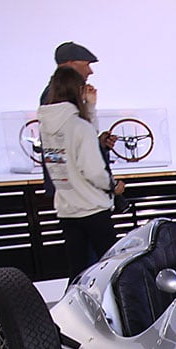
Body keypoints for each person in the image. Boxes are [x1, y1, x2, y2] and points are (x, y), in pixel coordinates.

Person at [38, 67, 120, 278]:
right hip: (92, 208)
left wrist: (90, 108)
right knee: (113, 270)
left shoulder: (46, 127)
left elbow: (83, 139)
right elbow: (93, 169)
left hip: (67, 209)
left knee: (78, 272)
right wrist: (113, 185)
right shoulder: (79, 126)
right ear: (78, 90)